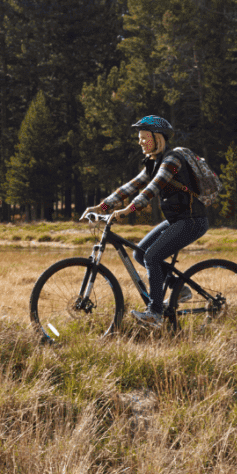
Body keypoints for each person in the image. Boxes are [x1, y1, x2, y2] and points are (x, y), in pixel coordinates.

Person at [83, 115, 208, 327]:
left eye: (144, 137)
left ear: (157, 138)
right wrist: (101, 207)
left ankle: (155, 313)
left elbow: (151, 190)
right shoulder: (153, 162)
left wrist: (127, 210)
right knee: (140, 253)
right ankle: (181, 289)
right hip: (177, 220)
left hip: (192, 221)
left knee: (151, 256)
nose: (140, 141)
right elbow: (131, 187)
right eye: (139, 138)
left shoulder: (171, 161)